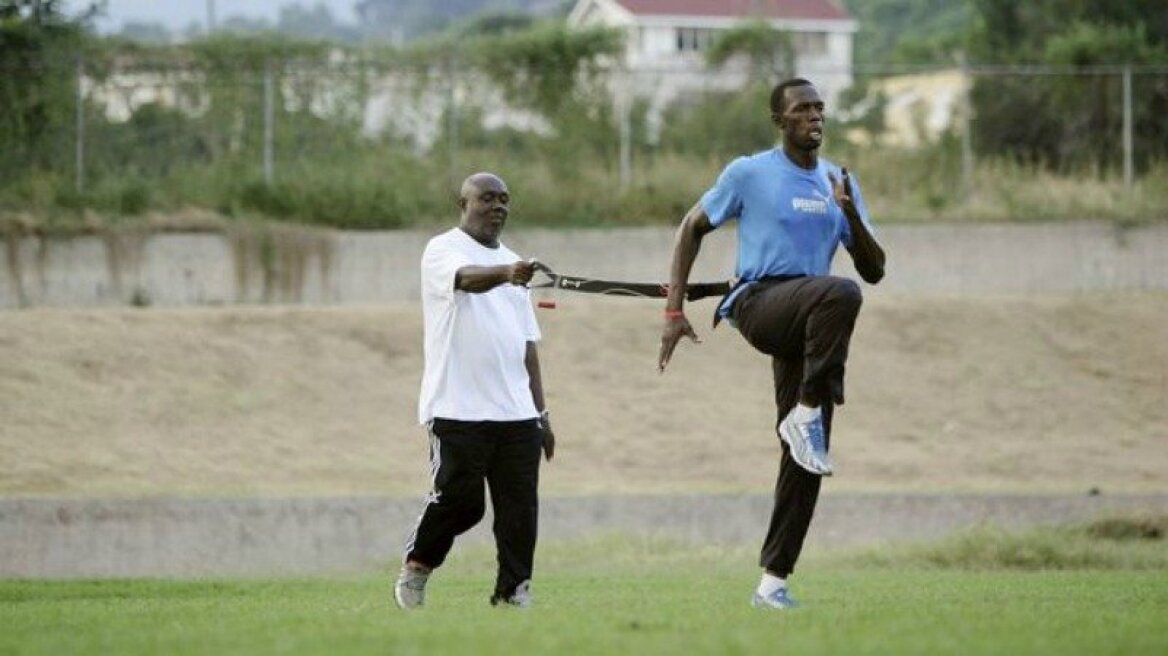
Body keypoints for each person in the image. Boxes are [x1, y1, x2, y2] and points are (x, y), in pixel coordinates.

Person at [657, 78, 886, 610]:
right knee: (840, 294)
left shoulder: (837, 181)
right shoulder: (750, 172)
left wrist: (849, 212)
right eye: (802, 109)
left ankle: (772, 585)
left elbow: (875, 270)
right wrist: (673, 310)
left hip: (811, 322)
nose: (815, 117)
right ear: (779, 120)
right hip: (761, 304)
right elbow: (691, 227)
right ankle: (806, 411)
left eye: (820, 109)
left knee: (807, 458)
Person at [394, 171, 555, 610]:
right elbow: (465, 279)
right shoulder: (442, 250)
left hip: (517, 413)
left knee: (520, 511)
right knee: (463, 504)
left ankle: (512, 591)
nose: (498, 206)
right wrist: (507, 273)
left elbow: (528, 347)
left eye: (504, 199)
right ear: (463, 204)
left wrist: (542, 415)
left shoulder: (516, 264)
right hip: (457, 407)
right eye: (487, 198)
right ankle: (418, 565)